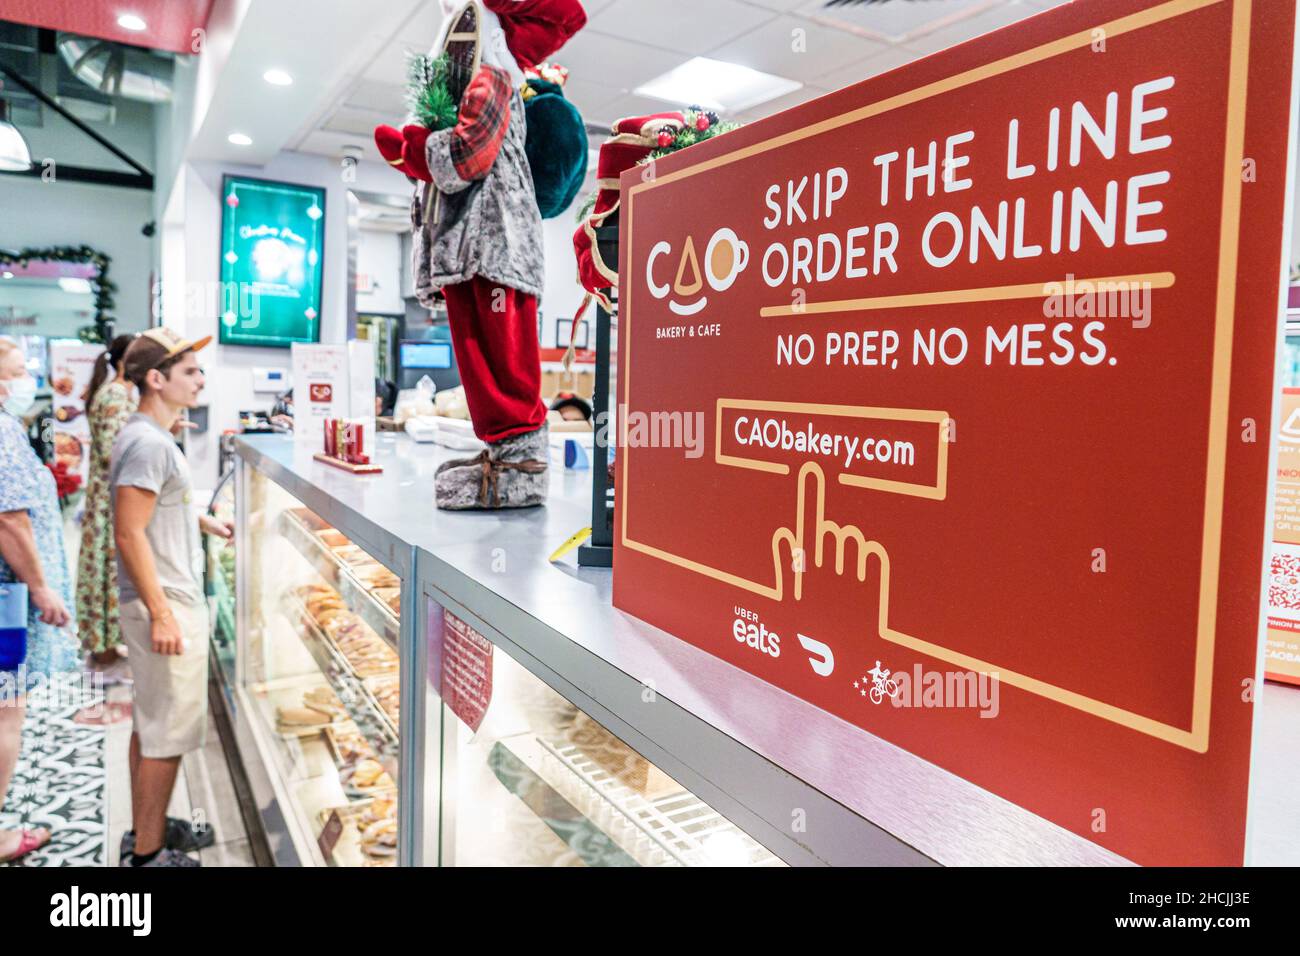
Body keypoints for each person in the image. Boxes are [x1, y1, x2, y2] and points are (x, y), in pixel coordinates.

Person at [111, 329, 231, 867]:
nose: (200, 380)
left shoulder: (153, 437)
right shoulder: (148, 442)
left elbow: (155, 510)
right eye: (189, 372)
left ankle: (146, 829)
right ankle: (149, 857)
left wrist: (199, 520)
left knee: (154, 724)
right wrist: (162, 613)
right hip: (164, 606)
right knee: (166, 737)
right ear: (155, 379)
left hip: (166, 601)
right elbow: (129, 532)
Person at [0, 337, 77, 863]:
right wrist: (41, 586)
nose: (28, 378)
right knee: (7, 709)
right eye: (18, 368)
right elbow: (9, 517)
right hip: (6, 596)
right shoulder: (3, 430)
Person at [76, 334, 136, 673]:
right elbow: (117, 454)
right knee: (107, 568)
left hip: (109, 495)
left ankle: (109, 642)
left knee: (109, 568)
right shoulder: (114, 394)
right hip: (109, 498)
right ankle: (104, 647)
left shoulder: (120, 392)